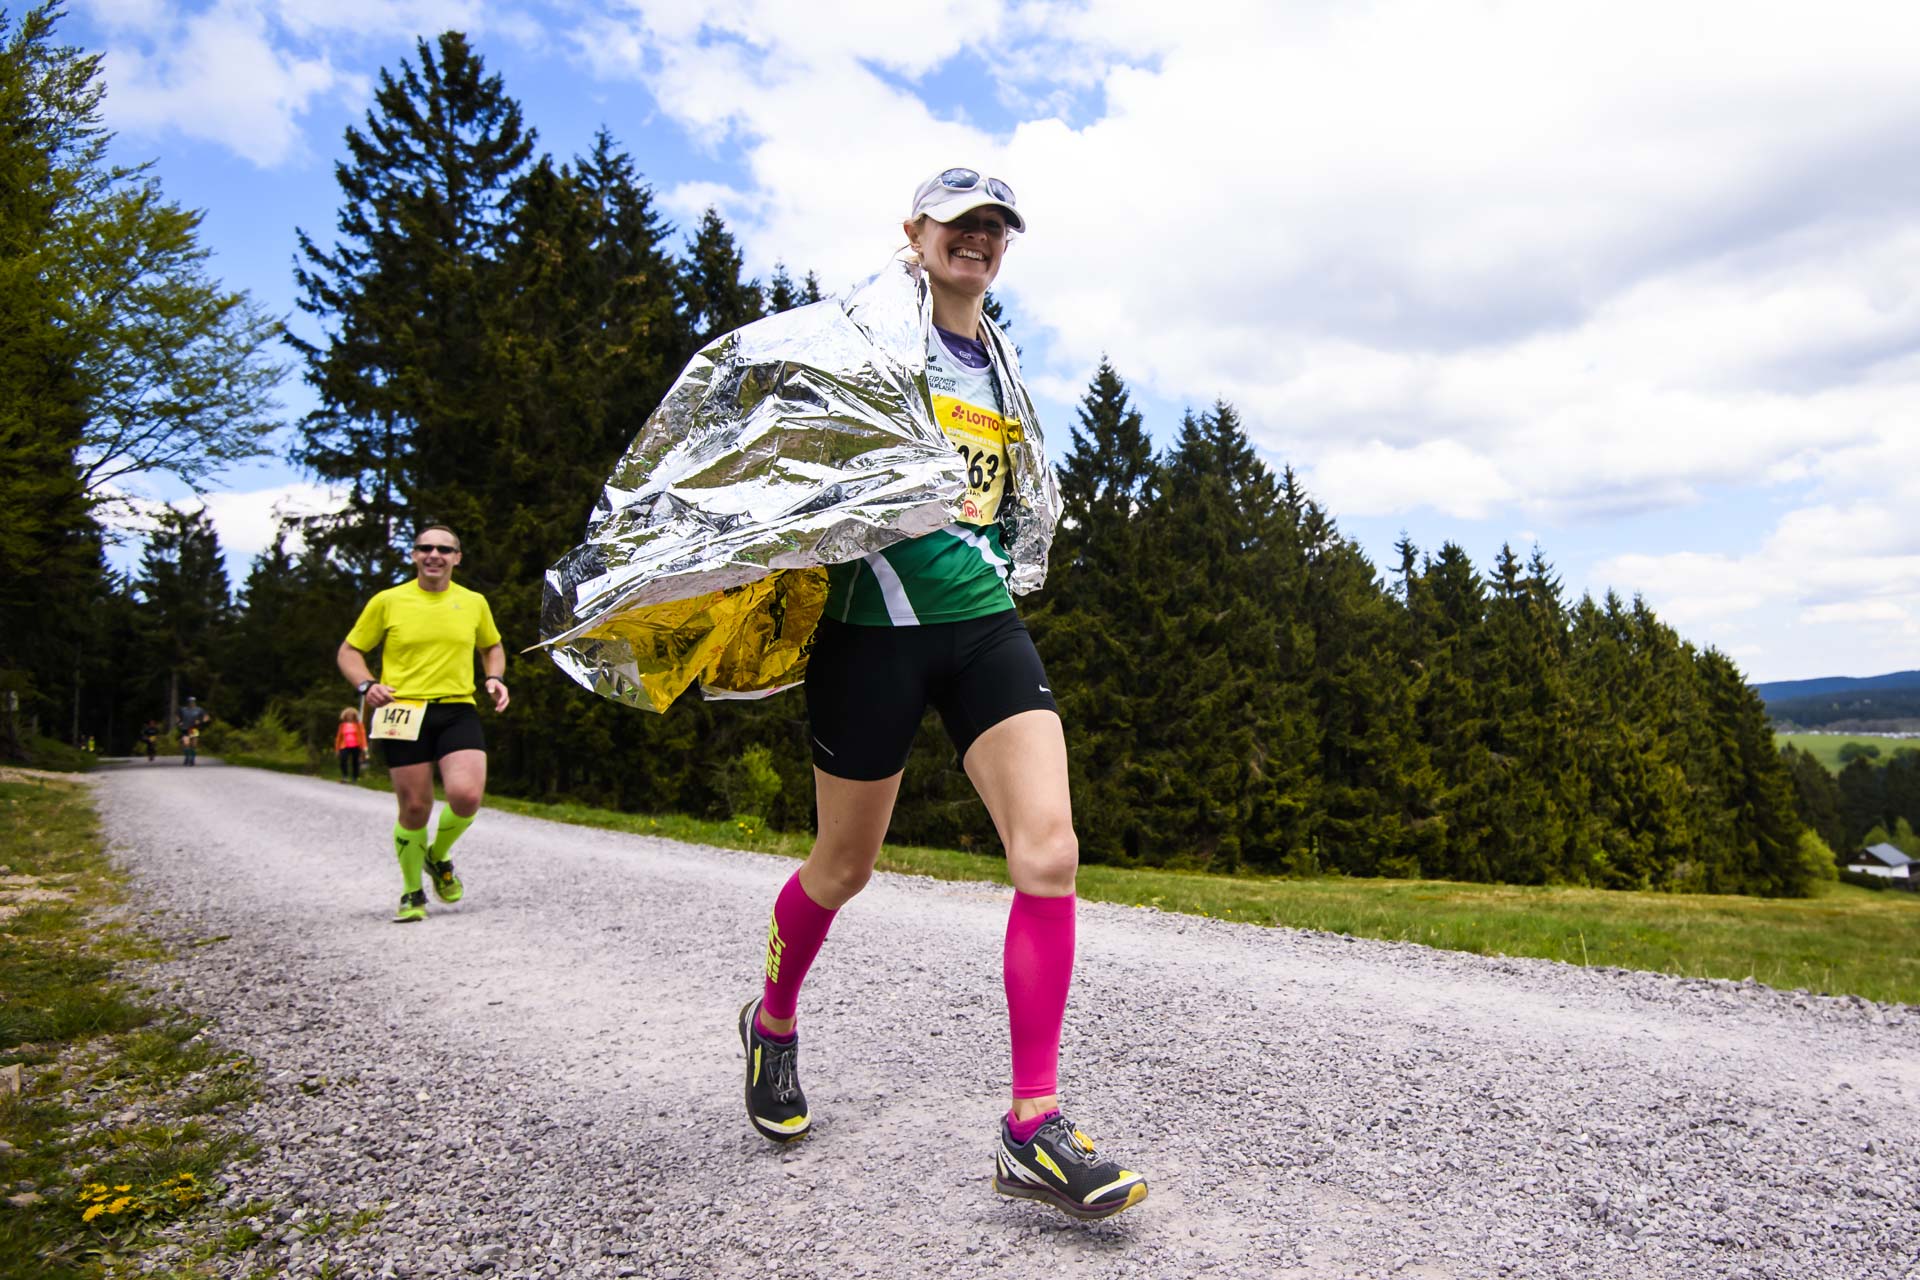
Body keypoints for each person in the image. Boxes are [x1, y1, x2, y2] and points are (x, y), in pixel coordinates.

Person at [735, 168, 1148, 1221]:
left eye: (994, 228)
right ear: (912, 233)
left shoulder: (997, 365)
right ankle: (773, 1019)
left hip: (980, 629)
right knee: (844, 864)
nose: (977, 240)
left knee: (1049, 847)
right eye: (958, 223)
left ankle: (1031, 1125)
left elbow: (1006, 500)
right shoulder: (871, 348)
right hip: (870, 639)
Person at [337, 524, 508, 922]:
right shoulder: (388, 601)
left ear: (457, 558)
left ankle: (438, 856)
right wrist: (366, 685)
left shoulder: (473, 602)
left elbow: (492, 645)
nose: (434, 555)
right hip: (402, 710)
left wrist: (495, 678)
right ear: (414, 555)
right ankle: (412, 892)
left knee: (466, 797)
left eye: (444, 550)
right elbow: (349, 651)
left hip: (456, 707)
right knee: (415, 808)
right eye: (425, 548)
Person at [334, 707, 366, 783]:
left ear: (354, 716)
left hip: (356, 745)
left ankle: (355, 778)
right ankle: (345, 776)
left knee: (355, 761)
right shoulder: (342, 725)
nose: (350, 716)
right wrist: (337, 749)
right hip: (344, 746)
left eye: (351, 715)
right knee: (343, 759)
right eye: (348, 715)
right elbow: (338, 738)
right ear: (345, 716)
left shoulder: (359, 725)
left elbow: (362, 735)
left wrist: (364, 747)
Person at [177, 697, 210, 766]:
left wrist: (200, 721)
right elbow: (177, 717)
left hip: (194, 729)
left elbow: (206, 717)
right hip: (185, 728)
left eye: (192, 702)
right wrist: (179, 722)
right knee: (186, 744)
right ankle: (187, 757)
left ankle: (192, 759)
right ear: (188, 702)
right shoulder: (183, 709)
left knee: (194, 744)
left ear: (195, 702)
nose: (191, 703)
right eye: (190, 702)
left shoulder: (199, 710)